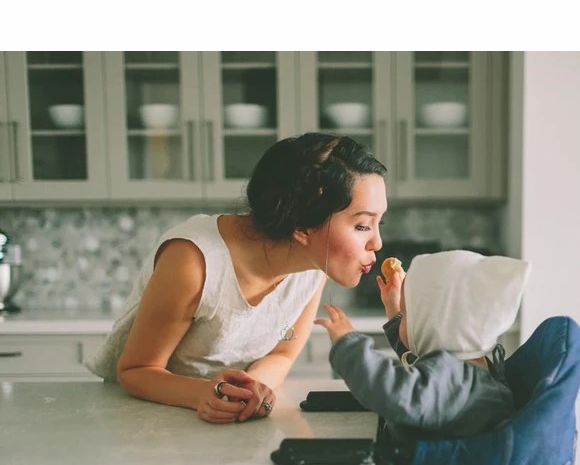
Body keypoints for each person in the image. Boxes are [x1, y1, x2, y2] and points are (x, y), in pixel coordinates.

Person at [87, 133, 388, 423]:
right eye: (362, 225)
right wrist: (202, 394)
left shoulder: (312, 267)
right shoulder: (193, 262)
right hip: (142, 420)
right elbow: (137, 369)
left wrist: (249, 391)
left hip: (223, 422)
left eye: (379, 223)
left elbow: (283, 353)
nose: (378, 243)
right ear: (303, 226)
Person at [314, 249, 531, 442]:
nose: (404, 317)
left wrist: (348, 343)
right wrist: (395, 312)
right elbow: (418, 358)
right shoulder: (471, 368)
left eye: (408, 313)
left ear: (438, 323)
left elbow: (391, 391)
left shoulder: (453, 381)